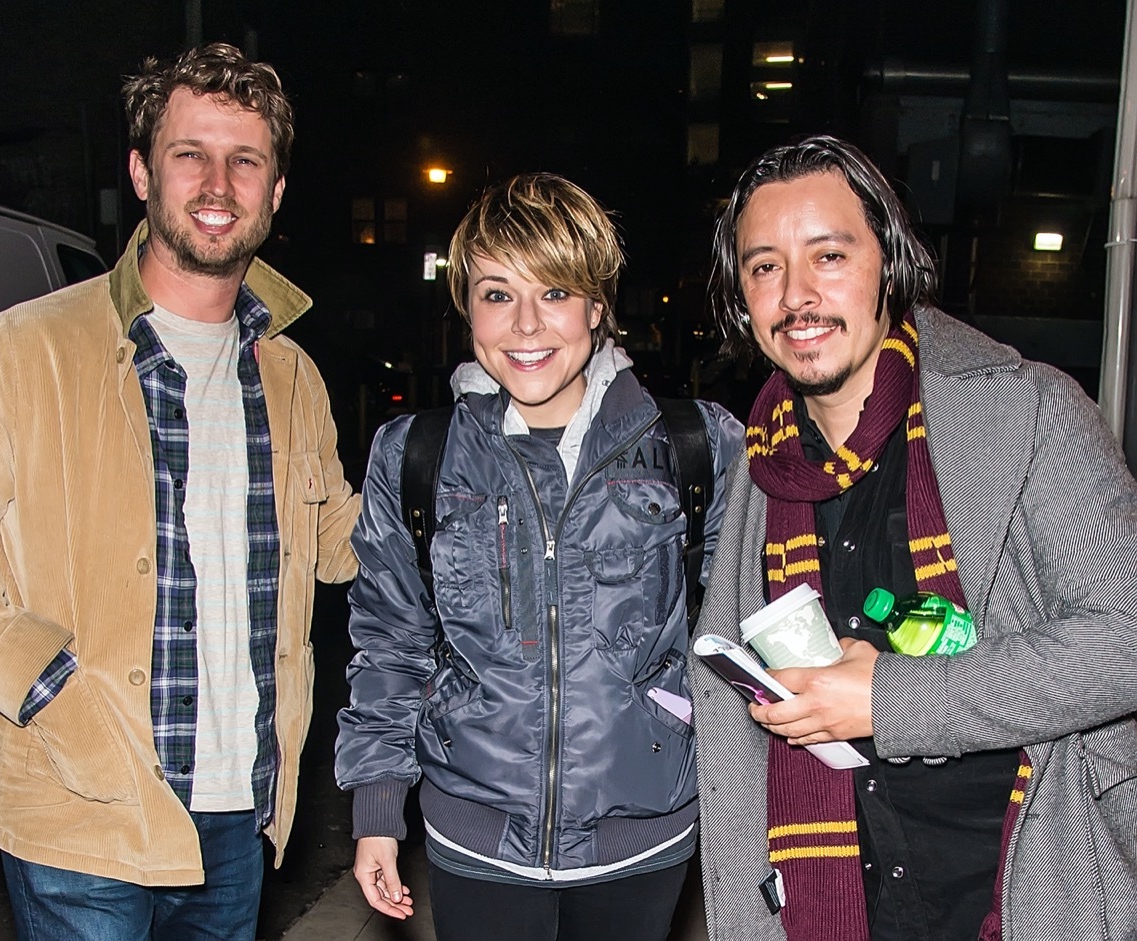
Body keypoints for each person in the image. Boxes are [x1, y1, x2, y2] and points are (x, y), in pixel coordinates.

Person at [0, 43, 361, 940]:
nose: (218, 181)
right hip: (78, 805)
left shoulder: (292, 376)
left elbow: (337, 546)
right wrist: (47, 686)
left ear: (275, 190)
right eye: (189, 154)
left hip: (237, 813)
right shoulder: (23, 350)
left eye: (246, 160)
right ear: (140, 172)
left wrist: (464, 455)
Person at [691, 132, 1137, 941]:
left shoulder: (1026, 410)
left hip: (1013, 892)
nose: (796, 294)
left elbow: (1128, 638)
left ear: (889, 264)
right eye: (764, 266)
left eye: (829, 256)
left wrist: (884, 698)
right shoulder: (758, 469)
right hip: (832, 907)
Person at [334, 172, 744, 940]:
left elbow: (738, 636)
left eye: (554, 292)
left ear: (596, 305)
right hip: (475, 833)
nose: (525, 324)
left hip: (644, 834)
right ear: (465, 308)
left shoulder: (697, 446)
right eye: (496, 294)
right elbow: (390, 642)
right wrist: (378, 806)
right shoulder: (416, 454)